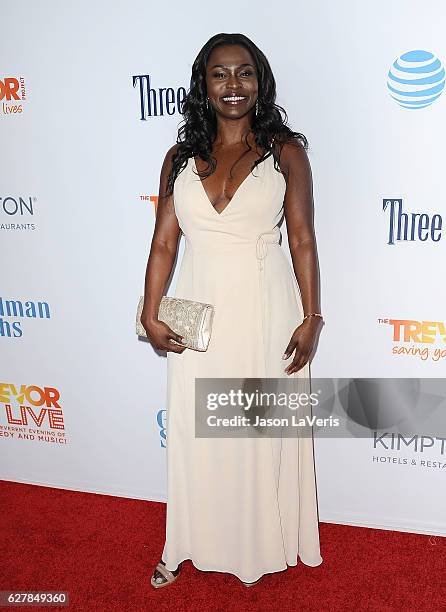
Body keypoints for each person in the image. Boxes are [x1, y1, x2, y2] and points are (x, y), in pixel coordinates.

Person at [140, 32, 324, 588]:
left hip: (265, 305)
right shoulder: (178, 157)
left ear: (259, 81)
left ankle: (255, 546)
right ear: (203, 84)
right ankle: (185, 541)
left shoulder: (286, 152)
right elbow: (165, 243)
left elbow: (303, 242)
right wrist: (149, 312)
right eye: (220, 74)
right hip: (197, 306)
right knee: (199, 430)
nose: (233, 85)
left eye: (244, 73)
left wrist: (312, 317)